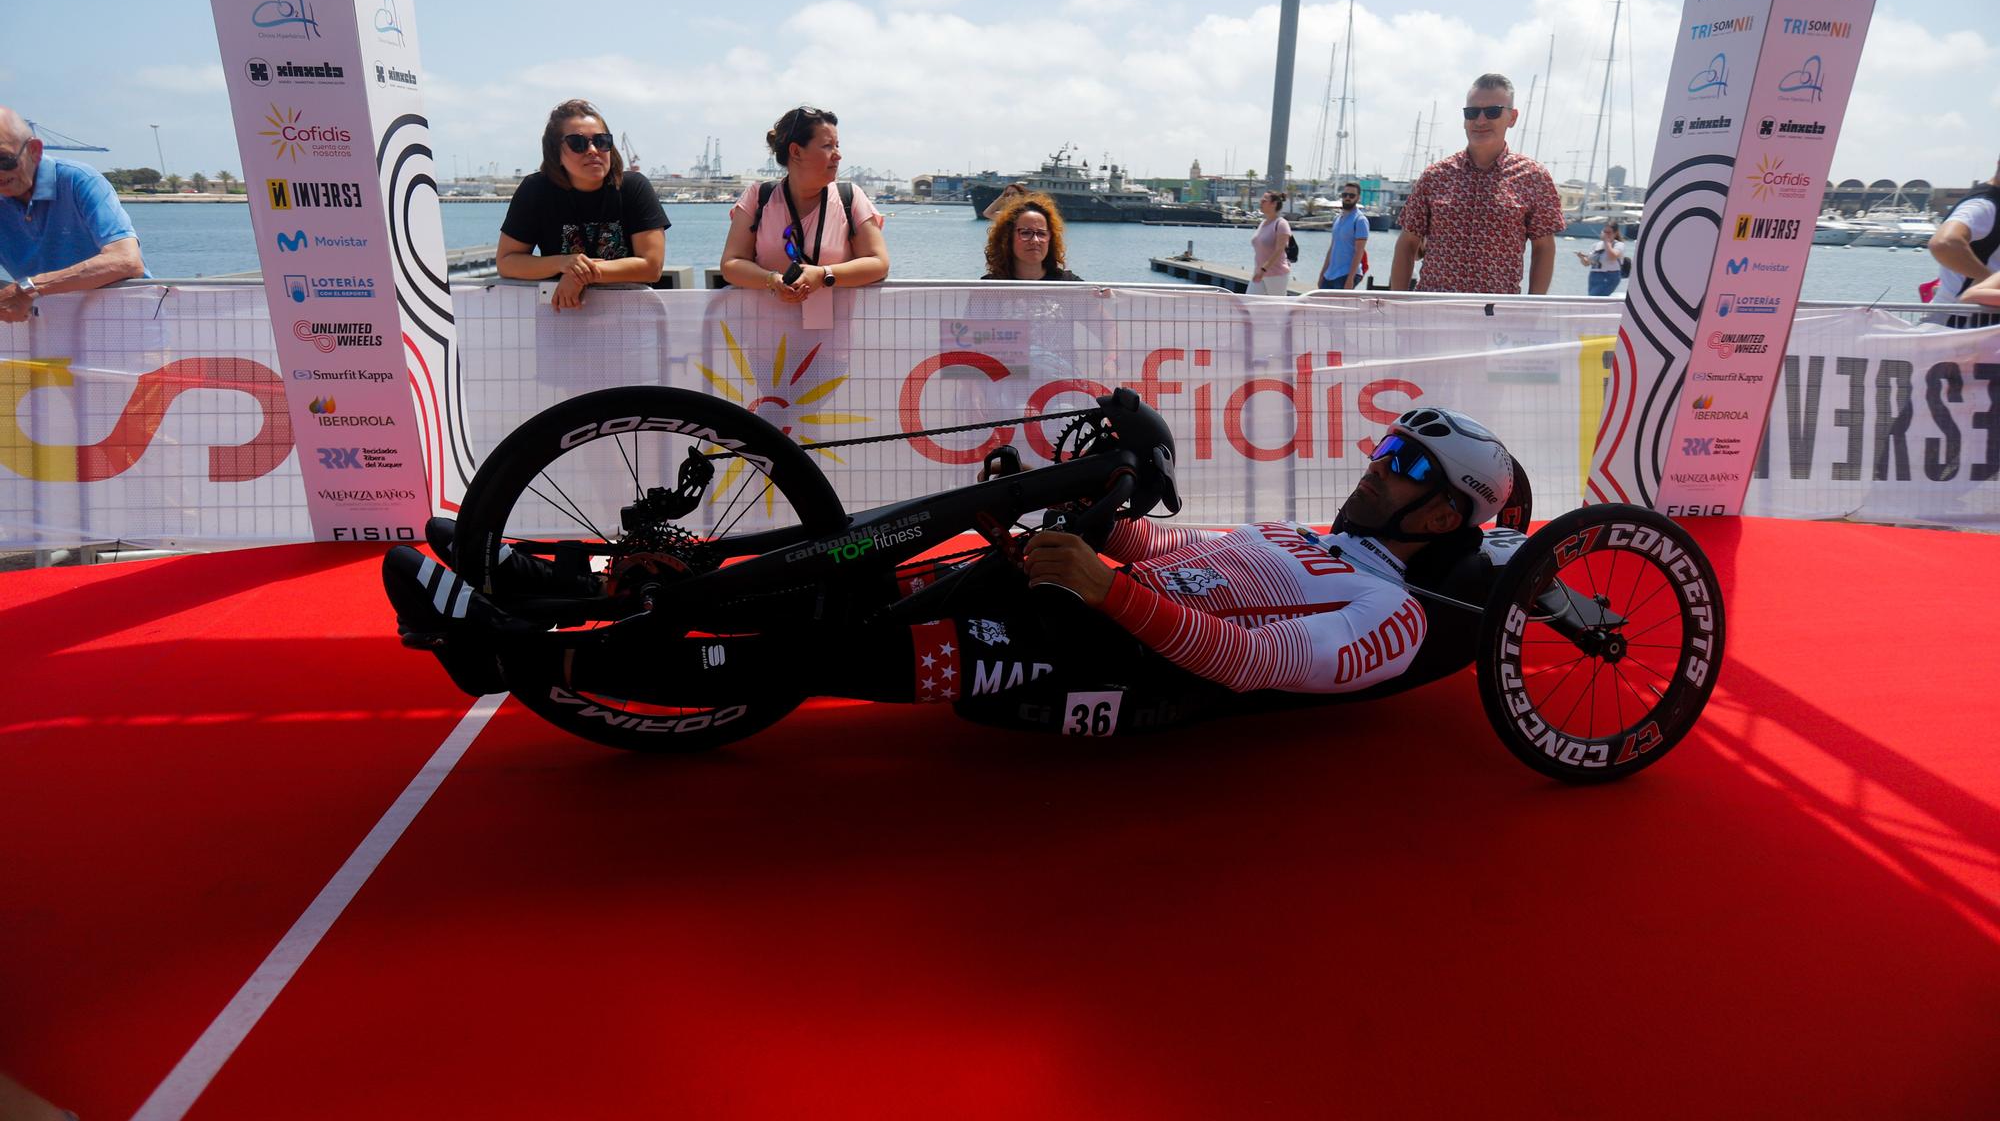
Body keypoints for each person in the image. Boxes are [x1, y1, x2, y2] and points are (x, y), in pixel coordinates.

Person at [383, 407, 1521, 733]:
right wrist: (1103, 530)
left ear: (1446, 507)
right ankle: (535, 575)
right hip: (1080, 598)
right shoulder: (1323, 540)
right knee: (824, 571)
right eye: (1381, 449)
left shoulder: (1396, 611)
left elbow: (1264, 663)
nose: (1374, 470)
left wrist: (1100, 588)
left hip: (1097, 671)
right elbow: (1188, 553)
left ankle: (508, 651)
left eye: (1403, 464)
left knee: (818, 649)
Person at [1391, 73, 1565, 295]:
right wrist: (1396, 304)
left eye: (1492, 112)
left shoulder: (1534, 177)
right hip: (1433, 313)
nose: (1480, 120)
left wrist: (1532, 309)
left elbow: (1544, 248)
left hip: (1497, 316)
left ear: (1512, 118)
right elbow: (1407, 243)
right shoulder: (1435, 176)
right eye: (1472, 112)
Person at [496, 99, 666, 312]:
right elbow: (507, 262)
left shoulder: (633, 186)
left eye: (602, 141)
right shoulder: (536, 190)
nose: (593, 150)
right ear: (555, 152)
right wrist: (563, 263)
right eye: (578, 143)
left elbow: (651, 266)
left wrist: (579, 275)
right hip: (562, 316)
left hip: (629, 317)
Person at [719, 105, 889, 306]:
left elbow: (879, 263)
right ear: (796, 151)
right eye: (827, 146)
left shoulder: (850, 198)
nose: (838, 155)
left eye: (837, 145)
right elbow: (731, 264)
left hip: (835, 332)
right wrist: (772, 280)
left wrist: (824, 275)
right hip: (769, 332)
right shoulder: (758, 197)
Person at [0, 105, 145, 323]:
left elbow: (126, 261)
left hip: (127, 325)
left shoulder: (80, 181)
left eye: (4, 161)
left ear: (35, 151)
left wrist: (27, 289)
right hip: (53, 328)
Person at [1926, 154, 2000, 316]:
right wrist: (1990, 282)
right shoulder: (1983, 205)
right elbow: (1944, 243)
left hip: (1980, 320)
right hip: (1958, 321)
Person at [981, 192, 1080, 281]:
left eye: (1041, 234)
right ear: (1008, 238)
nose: (1035, 240)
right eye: (1025, 233)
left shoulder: (1070, 285)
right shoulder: (989, 287)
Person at [1317, 181, 1370, 289]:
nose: (1347, 198)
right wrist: (1322, 273)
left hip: (1346, 274)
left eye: (1351, 195)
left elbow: (1359, 252)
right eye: (1345, 195)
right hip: (1330, 274)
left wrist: (1350, 279)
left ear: (1358, 198)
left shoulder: (1360, 220)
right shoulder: (1337, 219)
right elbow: (1332, 248)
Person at [1249, 190, 1292, 296]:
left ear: (1274, 204)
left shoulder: (1281, 224)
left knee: (1277, 308)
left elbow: (1279, 250)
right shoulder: (1263, 223)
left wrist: (1263, 270)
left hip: (1276, 274)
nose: (1261, 203)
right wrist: (1259, 271)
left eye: (1264, 201)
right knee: (1249, 304)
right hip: (1259, 272)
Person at [1577, 221, 1626, 297]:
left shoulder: (1619, 245)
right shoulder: (1596, 245)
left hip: (1609, 275)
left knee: (1595, 298)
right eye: (1604, 232)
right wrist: (1582, 258)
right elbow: (1587, 263)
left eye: (1609, 232)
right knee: (1592, 298)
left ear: (1615, 233)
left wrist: (1607, 242)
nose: (1606, 234)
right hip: (1594, 275)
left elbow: (1612, 257)